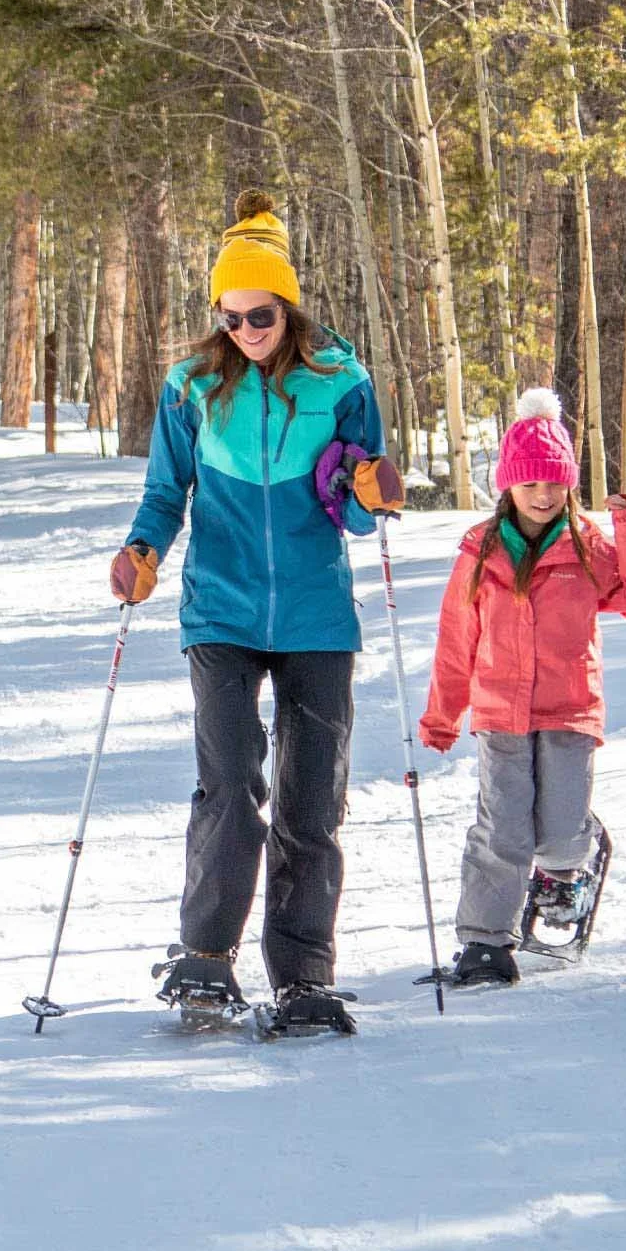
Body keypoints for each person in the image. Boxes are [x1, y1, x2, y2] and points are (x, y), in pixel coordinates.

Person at [109, 189, 401, 1036]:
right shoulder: (190, 387)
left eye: (260, 312)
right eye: (230, 316)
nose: (245, 329)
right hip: (223, 612)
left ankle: (304, 975)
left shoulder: (343, 382)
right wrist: (142, 553)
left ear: (289, 305)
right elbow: (169, 492)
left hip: (315, 615)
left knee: (313, 799)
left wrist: (374, 490)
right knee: (232, 782)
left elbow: (357, 505)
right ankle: (205, 958)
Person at [418, 389, 626, 985]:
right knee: (503, 828)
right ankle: (485, 942)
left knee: (558, 835)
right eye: (530, 483)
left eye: (554, 483)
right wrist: (441, 716)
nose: (542, 495)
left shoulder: (588, 547)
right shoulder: (480, 552)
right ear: (508, 484)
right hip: (499, 713)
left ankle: (566, 868)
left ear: (569, 486)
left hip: (569, 710)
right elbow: (458, 639)